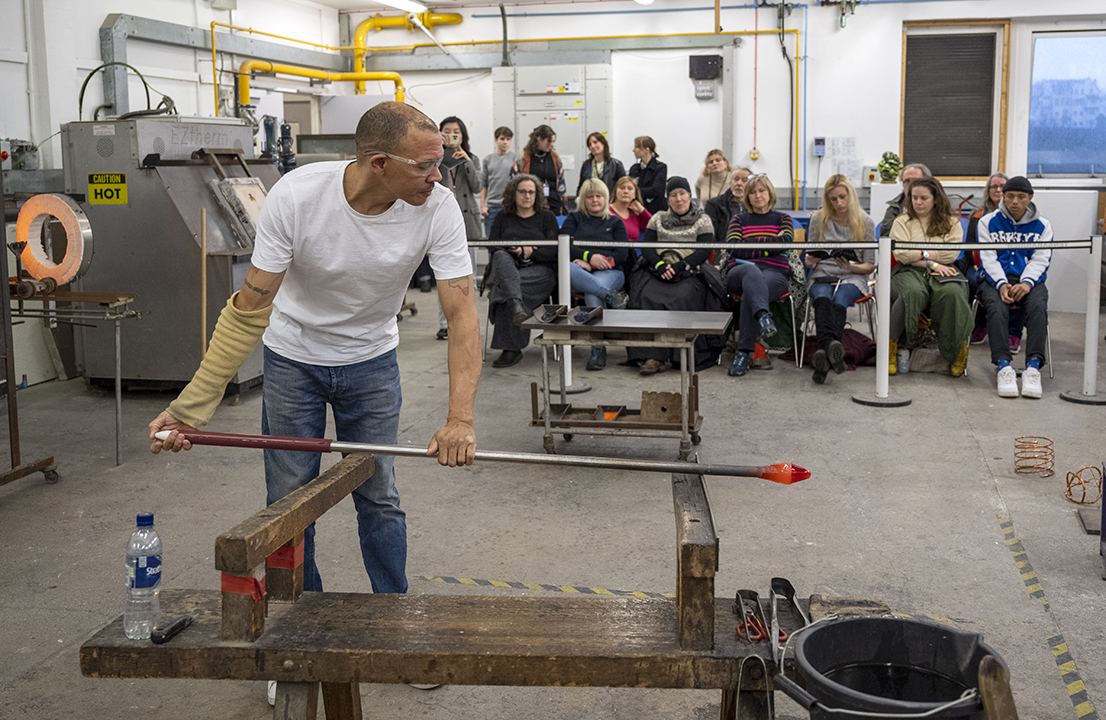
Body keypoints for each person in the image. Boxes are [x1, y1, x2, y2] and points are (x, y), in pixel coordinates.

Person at [149, 101, 480, 598]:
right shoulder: (299, 196)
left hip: (371, 362)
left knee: (379, 495)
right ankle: (301, 621)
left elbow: (462, 316)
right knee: (288, 499)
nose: (439, 177)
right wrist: (191, 408)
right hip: (293, 360)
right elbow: (249, 310)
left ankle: (392, 617)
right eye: (426, 165)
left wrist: (461, 419)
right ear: (379, 164)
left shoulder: (438, 206)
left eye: (441, 163)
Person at [627, 177, 721, 374]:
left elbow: (704, 251)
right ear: (668, 199)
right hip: (659, 268)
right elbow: (648, 247)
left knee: (682, 297)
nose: (678, 199)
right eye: (673, 195)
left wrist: (679, 267)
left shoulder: (702, 220)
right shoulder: (657, 218)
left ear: (689, 196)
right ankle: (654, 356)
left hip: (689, 271)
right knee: (646, 295)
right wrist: (660, 265)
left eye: (682, 193)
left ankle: (681, 355)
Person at [977, 176, 1053, 399]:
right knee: (996, 307)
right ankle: (1003, 366)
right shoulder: (987, 222)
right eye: (1010, 196)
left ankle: (1033, 366)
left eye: (1021, 197)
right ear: (1003, 197)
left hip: (1029, 281)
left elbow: (1041, 259)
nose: (1015, 202)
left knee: (1038, 305)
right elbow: (987, 258)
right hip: (995, 280)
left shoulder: (1043, 226)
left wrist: (1027, 283)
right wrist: (1001, 284)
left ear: (1030, 198)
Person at [889, 176, 972, 376]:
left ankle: (957, 349)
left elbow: (951, 253)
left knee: (952, 293)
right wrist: (931, 260)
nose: (918, 202)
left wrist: (920, 255)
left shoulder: (952, 222)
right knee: (912, 292)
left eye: (923, 198)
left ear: (936, 198)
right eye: (914, 197)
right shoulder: (902, 222)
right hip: (908, 271)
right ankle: (892, 346)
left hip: (945, 270)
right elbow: (900, 254)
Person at [803, 174, 876, 384]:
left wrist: (852, 266)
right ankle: (831, 350)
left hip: (854, 274)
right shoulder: (818, 219)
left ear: (851, 195)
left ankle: (823, 353)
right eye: (833, 199)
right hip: (823, 271)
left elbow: (870, 265)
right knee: (822, 297)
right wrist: (811, 261)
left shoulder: (865, 222)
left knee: (840, 299)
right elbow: (812, 254)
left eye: (843, 197)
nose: (839, 203)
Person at [484, 173, 560, 368]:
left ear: (537, 195)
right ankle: (516, 306)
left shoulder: (547, 217)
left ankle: (511, 349)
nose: (527, 196)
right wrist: (513, 252)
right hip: (508, 267)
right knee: (501, 258)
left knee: (503, 289)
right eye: (523, 191)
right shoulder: (503, 217)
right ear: (513, 193)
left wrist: (529, 251)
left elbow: (553, 250)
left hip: (539, 273)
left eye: (531, 192)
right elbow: (493, 246)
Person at [723, 174, 794, 377]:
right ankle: (763, 315)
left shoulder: (783, 219)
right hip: (739, 272)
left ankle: (744, 352)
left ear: (770, 193)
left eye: (761, 190)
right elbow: (734, 249)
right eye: (752, 192)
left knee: (750, 293)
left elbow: (786, 242)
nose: (757, 195)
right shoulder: (738, 219)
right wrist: (771, 243)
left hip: (775, 274)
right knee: (751, 270)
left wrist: (752, 244)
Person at [561, 178, 630, 371]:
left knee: (592, 293)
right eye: (590, 197)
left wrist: (599, 263)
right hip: (578, 273)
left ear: (606, 198)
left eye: (599, 196)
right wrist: (588, 257)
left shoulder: (615, 222)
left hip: (611, 272)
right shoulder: (574, 218)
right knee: (569, 267)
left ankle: (597, 350)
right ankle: (610, 297)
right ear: (583, 199)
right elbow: (564, 244)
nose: (594, 200)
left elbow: (622, 254)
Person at [960, 172, 1025, 350]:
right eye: (993, 186)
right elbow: (970, 247)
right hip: (981, 264)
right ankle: (981, 324)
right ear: (988, 191)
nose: (997, 189)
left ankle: (1013, 331)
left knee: (1017, 284)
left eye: (1001, 186)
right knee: (973, 281)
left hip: (1013, 265)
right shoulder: (977, 215)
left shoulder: (1021, 215)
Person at [436, 116, 483, 340]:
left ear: (463, 135)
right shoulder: (434, 159)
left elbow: (477, 186)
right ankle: (444, 324)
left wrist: (466, 160)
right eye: (447, 131)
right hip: (443, 221)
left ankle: (468, 320)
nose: (452, 135)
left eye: (456, 131)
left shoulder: (472, 158)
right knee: (443, 274)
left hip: (468, 222)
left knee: (469, 274)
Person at [520, 124, 567, 215]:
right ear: (539, 139)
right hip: (532, 205)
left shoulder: (555, 157)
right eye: (549, 141)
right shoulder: (523, 158)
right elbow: (514, 183)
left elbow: (562, 184)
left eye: (553, 141)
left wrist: (564, 206)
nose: (552, 144)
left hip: (553, 204)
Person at [480, 126, 518, 240]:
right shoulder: (488, 159)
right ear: (496, 140)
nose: (505, 142)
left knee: (511, 241)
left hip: (511, 206)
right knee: (492, 242)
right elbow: (484, 185)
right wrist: (483, 206)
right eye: (502, 139)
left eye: (508, 139)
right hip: (492, 207)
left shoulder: (515, 158)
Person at [879, 163, 931, 238]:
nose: (911, 185)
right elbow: (886, 239)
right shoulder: (894, 208)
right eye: (906, 181)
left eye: (916, 181)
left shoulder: (940, 206)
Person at [705, 166, 751, 245]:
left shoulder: (756, 206)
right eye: (736, 179)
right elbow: (711, 236)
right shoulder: (714, 205)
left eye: (744, 180)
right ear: (730, 182)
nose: (739, 183)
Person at [628, 136, 668, 214]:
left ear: (646, 150)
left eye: (636, 147)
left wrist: (636, 191)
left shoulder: (660, 167)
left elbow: (656, 190)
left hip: (656, 211)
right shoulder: (634, 168)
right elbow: (629, 188)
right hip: (638, 210)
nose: (633, 150)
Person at [577, 132, 626, 196]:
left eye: (595, 142)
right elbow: (581, 186)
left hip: (610, 202)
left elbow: (623, 186)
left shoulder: (616, 165)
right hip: (590, 201)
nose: (592, 146)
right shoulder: (586, 165)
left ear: (603, 143)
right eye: (590, 144)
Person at [610, 175, 652, 245]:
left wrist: (642, 210)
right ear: (616, 192)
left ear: (634, 195)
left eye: (630, 188)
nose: (626, 191)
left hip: (632, 254)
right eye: (622, 188)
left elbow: (653, 225)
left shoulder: (635, 214)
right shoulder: (607, 211)